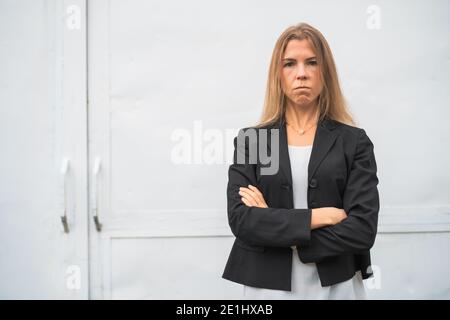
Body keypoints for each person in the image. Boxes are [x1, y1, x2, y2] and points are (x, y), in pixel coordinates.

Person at [222, 22, 380, 299]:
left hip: (337, 286)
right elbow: (243, 221)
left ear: (325, 72)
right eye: (290, 64)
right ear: (278, 75)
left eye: (312, 62)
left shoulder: (353, 141)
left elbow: (362, 229)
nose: (302, 74)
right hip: (267, 289)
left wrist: (282, 231)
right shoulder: (257, 141)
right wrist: (321, 217)